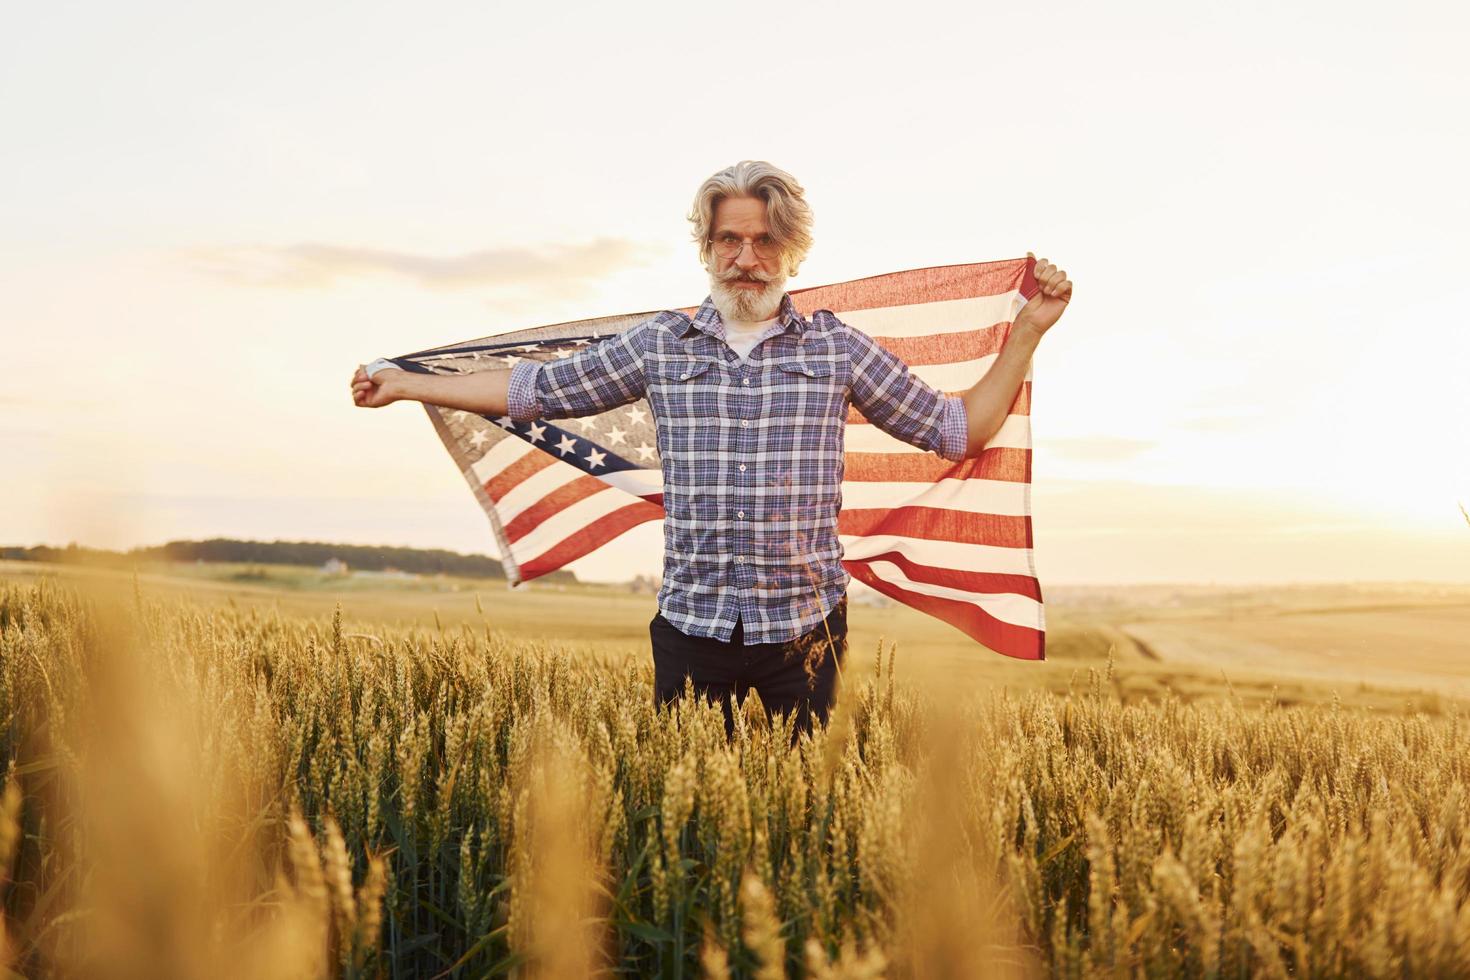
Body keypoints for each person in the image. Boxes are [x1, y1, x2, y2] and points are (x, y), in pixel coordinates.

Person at [350, 160, 1072, 738]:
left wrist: (1030, 331)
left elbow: (956, 432)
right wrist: (408, 384)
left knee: (804, 826)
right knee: (690, 831)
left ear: (791, 252)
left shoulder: (836, 350)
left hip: (805, 635)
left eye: (764, 241)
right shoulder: (661, 345)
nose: (746, 258)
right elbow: (535, 391)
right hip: (691, 629)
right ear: (707, 247)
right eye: (730, 239)